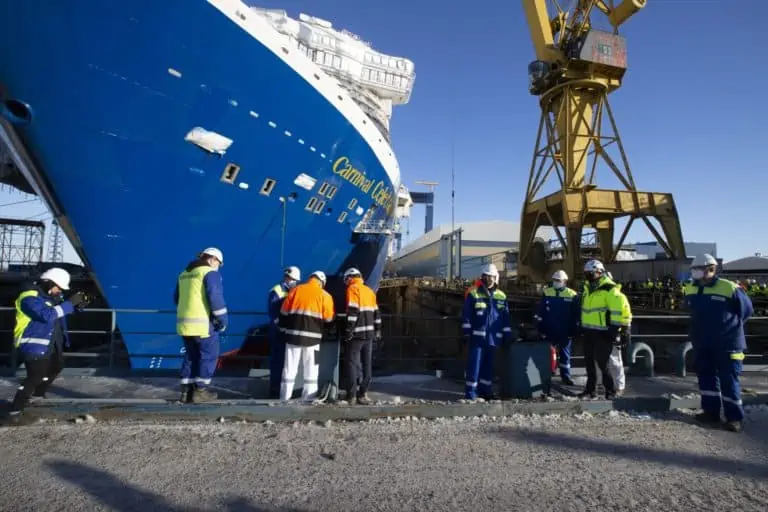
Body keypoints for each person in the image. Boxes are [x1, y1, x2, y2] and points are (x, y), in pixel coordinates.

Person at [5, 267, 89, 424]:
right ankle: (14, 412)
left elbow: (59, 313)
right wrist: (69, 304)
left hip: (51, 343)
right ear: (49, 283)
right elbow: (47, 315)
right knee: (35, 376)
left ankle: (36, 397)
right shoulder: (28, 298)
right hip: (33, 343)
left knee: (57, 366)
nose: (59, 291)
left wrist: (77, 307)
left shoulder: (49, 298)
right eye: (58, 287)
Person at [684, 253, 753, 432]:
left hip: (728, 343)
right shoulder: (690, 288)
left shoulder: (729, 288)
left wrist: (730, 328)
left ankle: (734, 418)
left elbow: (746, 310)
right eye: (694, 269)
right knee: (706, 379)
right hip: (703, 342)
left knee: (729, 381)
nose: (695, 273)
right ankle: (711, 412)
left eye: (698, 269)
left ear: (711, 269)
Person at [174, 247, 227, 403]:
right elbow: (215, 297)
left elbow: (176, 298)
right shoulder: (210, 273)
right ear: (212, 259)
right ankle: (201, 392)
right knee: (209, 357)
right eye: (219, 263)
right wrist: (223, 321)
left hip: (185, 325)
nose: (219, 267)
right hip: (204, 325)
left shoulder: (184, 274)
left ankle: (185, 393)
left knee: (190, 357)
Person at [578, 260, 632, 400]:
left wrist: (622, 329)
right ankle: (590, 391)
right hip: (588, 331)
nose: (588, 276)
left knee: (603, 363)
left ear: (600, 272)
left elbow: (621, 310)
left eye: (591, 273)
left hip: (603, 333)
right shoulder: (587, 289)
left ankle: (611, 391)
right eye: (586, 273)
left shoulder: (610, 290)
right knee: (589, 362)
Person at [279, 270, 335, 402]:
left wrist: (283, 329)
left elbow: (283, 312)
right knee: (312, 369)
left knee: (289, 368)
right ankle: (308, 398)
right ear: (322, 282)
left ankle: (284, 398)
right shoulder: (325, 295)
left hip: (293, 338)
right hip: (314, 341)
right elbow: (329, 319)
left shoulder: (296, 290)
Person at [461, 264, 513, 400]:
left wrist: (507, 334)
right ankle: (471, 393)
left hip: (493, 338)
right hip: (477, 338)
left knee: (489, 366)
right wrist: (466, 332)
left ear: (496, 278)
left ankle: (486, 390)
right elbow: (467, 315)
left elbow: (505, 318)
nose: (489, 279)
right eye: (486, 276)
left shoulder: (502, 296)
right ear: (482, 277)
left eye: (491, 276)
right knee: (474, 365)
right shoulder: (473, 294)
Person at [342, 267, 382, 405]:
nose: (346, 283)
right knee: (367, 363)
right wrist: (378, 330)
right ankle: (363, 394)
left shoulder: (353, 289)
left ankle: (352, 395)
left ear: (350, 278)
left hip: (357, 334)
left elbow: (353, 312)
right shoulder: (369, 291)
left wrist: (348, 331)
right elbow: (377, 314)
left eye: (346, 280)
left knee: (352, 363)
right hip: (369, 334)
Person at [535, 270, 579, 385]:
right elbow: (541, 311)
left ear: (565, 281)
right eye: (554, 280)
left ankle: (566, 376)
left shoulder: (572, 295)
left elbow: (576, 315)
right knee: (548, 353)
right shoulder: (547, 292)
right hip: (550, 329)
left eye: (558, 281)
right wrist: (540, 327)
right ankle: (548, 374)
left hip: (565, 330)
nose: (556, 282)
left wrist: (574, 330)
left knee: (565, 354)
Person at [267, 266, 301, 398]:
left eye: (295, 280)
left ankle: (285, 389)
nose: (293, 282)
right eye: (292, 279)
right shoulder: (277, 290)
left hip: (287, 330)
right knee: (278, 361)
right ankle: (275, 390)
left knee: (288, 361)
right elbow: (273, 312)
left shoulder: (293, 291)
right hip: (278, 331)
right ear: (287, 277)